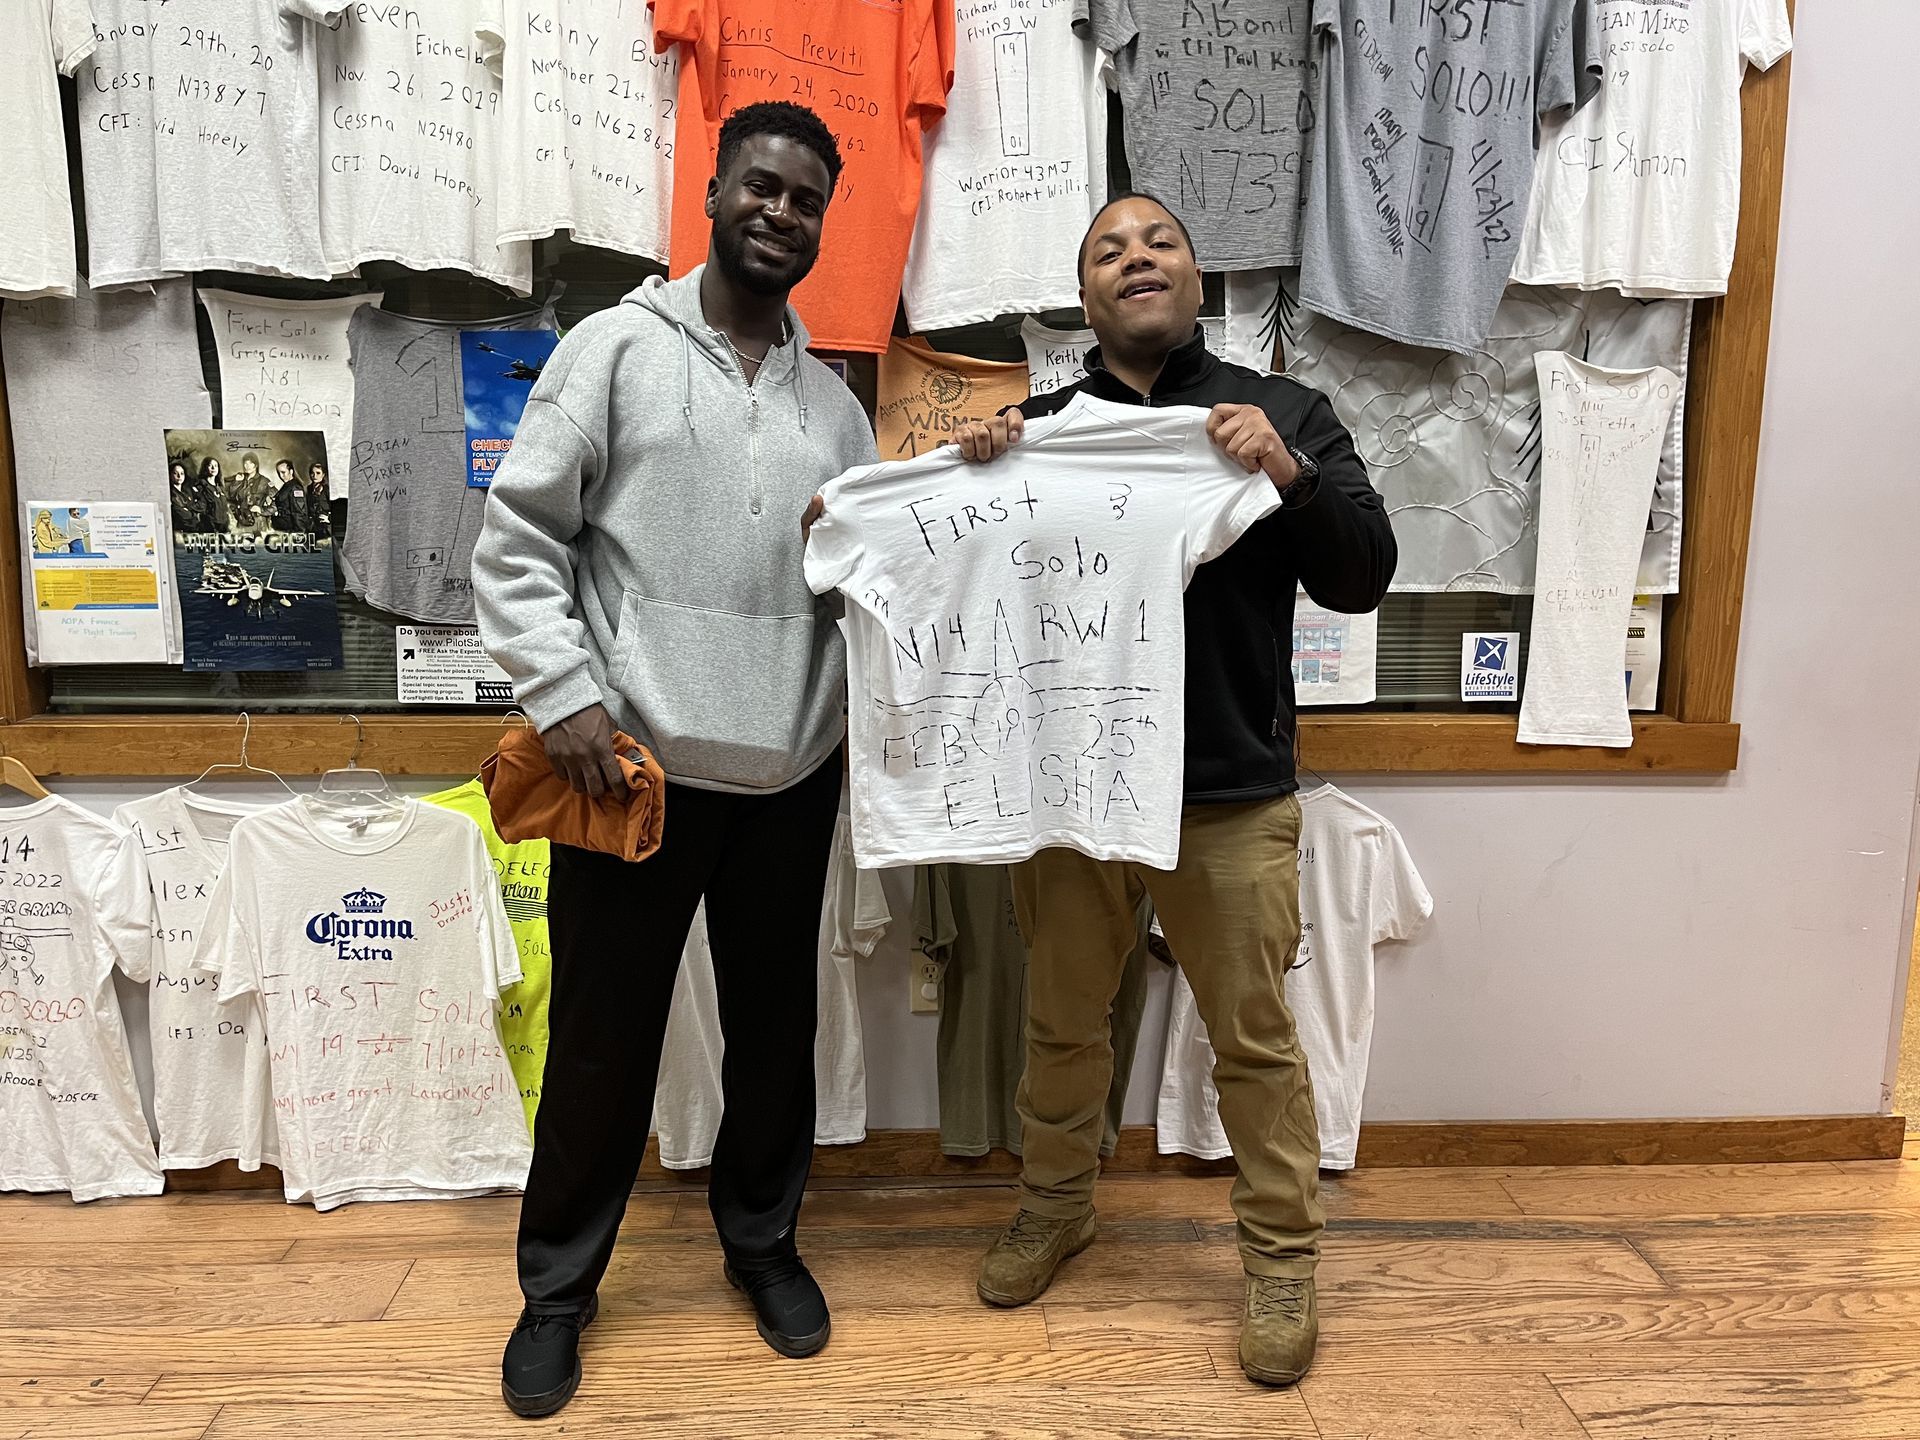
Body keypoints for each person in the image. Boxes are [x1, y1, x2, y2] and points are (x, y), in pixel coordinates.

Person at [943, 191, 1396, 1388]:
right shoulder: (1042, 432)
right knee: (1060, 1021)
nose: (1136, 258)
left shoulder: (1282, 414)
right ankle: (1055, 1205)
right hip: (1075, 791)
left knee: (1253, 1038)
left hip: (1231, 792)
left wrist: (1288, 474)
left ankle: (1282, 1258)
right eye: (1110, 249)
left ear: (1198, 278)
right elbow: (964, 584)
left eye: (1160, 243)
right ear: (1084, 294)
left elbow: (1364, 575)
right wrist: (975, 477)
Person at [472, 101, 878, 1420]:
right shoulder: (612, 350)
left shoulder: (839, 412)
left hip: (789, 772)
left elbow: (863, 585)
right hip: (627, 769)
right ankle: (556, 1292)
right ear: (711, 192)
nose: (780, 211)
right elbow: (520, 536)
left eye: (805, 199)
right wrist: (566, 696)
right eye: (761, 185)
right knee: (602, 1046)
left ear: (822, 224)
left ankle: (762, 1246)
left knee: (774, 1040)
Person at [270, 459, 310, 534]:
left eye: (283, 472)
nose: (281, 476)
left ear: (291, 471)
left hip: (290, 529)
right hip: (283, 528)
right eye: (279, 473)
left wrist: (300, 533)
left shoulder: (295, 488)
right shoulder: (286, 486)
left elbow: (299, 513)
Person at [306, 463, 333, 541]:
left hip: (325, 526)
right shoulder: (309, 489)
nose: (315, 476)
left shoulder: (327, 489)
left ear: (323, 475)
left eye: (318, 473)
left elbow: (336, 508)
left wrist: (328, 518)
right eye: (312, 473)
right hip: (313, 525)